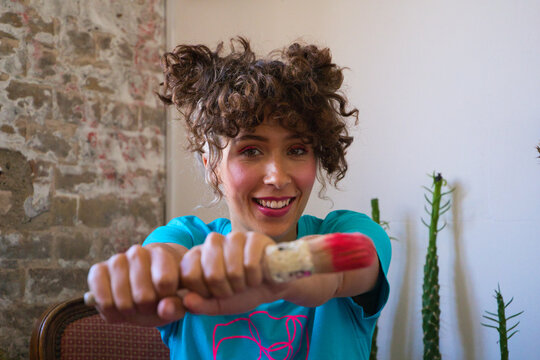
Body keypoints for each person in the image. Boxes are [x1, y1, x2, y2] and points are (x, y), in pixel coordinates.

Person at [87, 37, 391, 360]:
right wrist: (147, 278)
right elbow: (165, 259)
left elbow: (354, 259)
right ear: (210, 166)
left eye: (297, 150)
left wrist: (273, 269)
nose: (277, 176)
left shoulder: (346, 231)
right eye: (250, 151)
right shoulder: (186, 239)